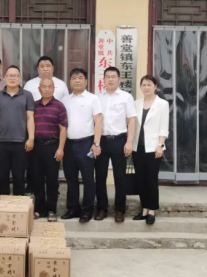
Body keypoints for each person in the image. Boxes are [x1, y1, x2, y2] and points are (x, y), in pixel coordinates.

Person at [95, 67, 137, 223]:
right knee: (100, 176)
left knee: (120, 177)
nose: (110, 79)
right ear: (104, 80)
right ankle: (102, 208)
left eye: (113, 76)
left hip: (119, 140)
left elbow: (131, 120)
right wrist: (95, 143)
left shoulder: (126, 97)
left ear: (119, 79)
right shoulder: (97, 98)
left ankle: (120, 209)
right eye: (108, 77)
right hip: (101, 141)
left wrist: (129, 141)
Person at [61, 68, 103, 223]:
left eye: (80, 78)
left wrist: (96, 143)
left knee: (88, 178)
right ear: (70, 81)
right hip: (69, 144)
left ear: (86, 81)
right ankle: (73, 208)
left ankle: (87, 210)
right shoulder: (65, 100)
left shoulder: (93, 99)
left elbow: (98, 121)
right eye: (74, 78)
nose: (77, 80)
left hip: (86, 143)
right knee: (71, 178)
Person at [0, 66, 35, 196]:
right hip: (1, 143)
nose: (12, 78)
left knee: (19, 177)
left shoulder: (27, 95)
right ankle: (3, 205)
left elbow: (30, 118)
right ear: (5, 78)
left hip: (21, 143)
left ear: (20, 78)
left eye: (15, 75)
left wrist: (31, 138)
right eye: (10, 75)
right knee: (1, 177)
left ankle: (18, 205)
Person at [132, 75, 170, 225]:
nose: (146, 87)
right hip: (137, 147)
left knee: (151, 179)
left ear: (155, 87)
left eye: (149, 85)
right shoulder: (136, 104)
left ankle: (152, 210)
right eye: (144, 85)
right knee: (140, 179)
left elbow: (164, 127)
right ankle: (144, 208)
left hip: (154, 148)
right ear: (140, 87)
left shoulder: (162, 104)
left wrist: (160, 145)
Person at [31, 77, 68, 222]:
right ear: (39, 89)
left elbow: (63, 129)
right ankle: (40, 209)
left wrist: (60, 149)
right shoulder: (34, 106)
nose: (47, 89)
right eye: (44, 86)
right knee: (37, 179)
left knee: (52, 180)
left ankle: (52, 209)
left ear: (53, 89)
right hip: (36, 147)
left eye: (49, 86)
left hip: (53, 146)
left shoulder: (59, 106)